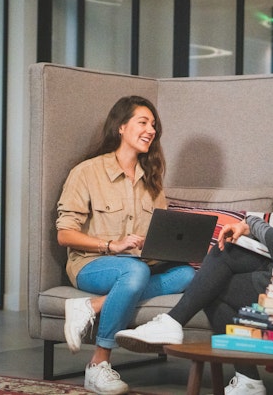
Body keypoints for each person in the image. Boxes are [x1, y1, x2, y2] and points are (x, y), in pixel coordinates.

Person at [115, 99, 273, 395]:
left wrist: (251, 223)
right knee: (223, 254)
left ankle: (239, 372)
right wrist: (246, 229)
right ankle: (228, 366)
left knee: (210, 287)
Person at [56, 95, 196, 395]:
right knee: (134, 273)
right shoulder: (87, 172)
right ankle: (98, 364)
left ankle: (91, 307)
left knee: (187, 275)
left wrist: (158, 246)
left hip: (136, 266)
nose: (151, 130)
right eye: (143, 122)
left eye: (154, 125)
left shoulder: (152, 181)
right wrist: (111, 245)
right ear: (120, 127)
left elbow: (158, 235)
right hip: (89, 265)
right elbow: (65, 235)